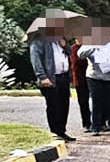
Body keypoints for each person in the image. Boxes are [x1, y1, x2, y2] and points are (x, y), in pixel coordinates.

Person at [28, 11, 76, 141]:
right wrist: (42, 77)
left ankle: (62, 131)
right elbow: (35, 59)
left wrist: (65, 46)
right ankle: (55, 132)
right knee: (54, 105)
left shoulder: (61, 38)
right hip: (50, 78)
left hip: (63, 76)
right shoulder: (39, 39)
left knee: (64, 104)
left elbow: (69, 52)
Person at [77, 26, 110, 134]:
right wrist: (93, 47)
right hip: (94, 77)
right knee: (96, 102)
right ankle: (96, 127)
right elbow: (80, 54)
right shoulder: (90, 45)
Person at [68, 35, 91, 131]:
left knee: (98, 100)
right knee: (83, 101)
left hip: (92, 76)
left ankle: (100, 121)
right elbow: (75, 62)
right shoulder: (73, 49)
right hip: (80, 78)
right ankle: (86, 123)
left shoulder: (90, 47)